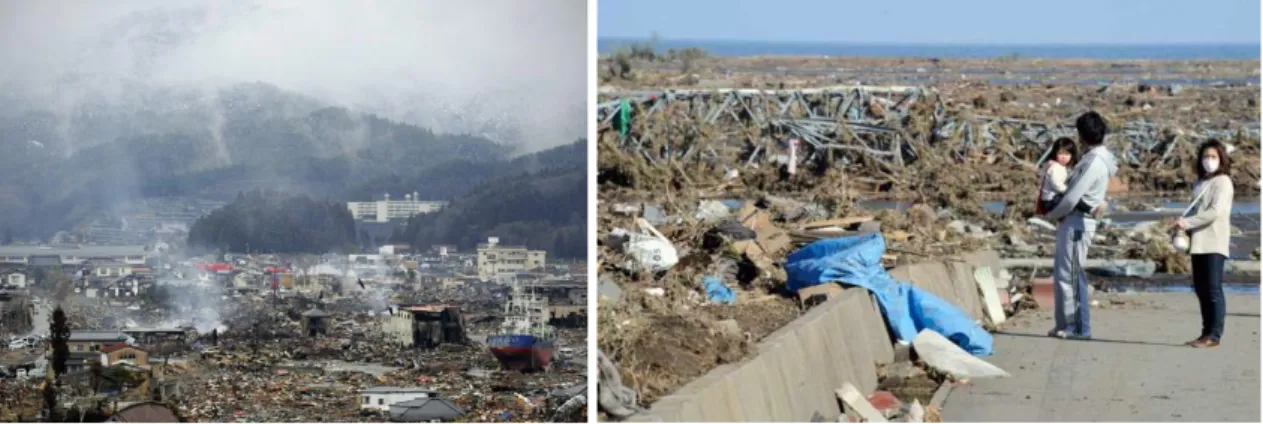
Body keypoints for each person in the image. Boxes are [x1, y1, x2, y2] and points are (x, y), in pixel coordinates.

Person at [1044, 111, 1117, 340]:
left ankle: (1078, 327)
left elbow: (1072, 196)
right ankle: (1065, 323)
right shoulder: (1096, 158)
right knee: (1063, 273)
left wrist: (1053, 213)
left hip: (1078, 221)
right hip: (1076, 219)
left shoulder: (1093, 161)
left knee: (1072, 275)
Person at [1174, 139, 1234, 348]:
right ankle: (1205, 332)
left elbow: (1214, 212)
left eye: (1213, 157)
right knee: (1201, 289)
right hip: (1198, 241)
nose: (1209, 161)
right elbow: (1195, 209)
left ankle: (1215, 335)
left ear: (1221, 159)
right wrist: (1182, 226)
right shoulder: (1200, 182)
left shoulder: (1223, 181)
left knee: (1213, 288)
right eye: (1206, 157)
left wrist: (1187, 222)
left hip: (1214, 241)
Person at [1036, 137, 1078, 215]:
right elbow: (1057, 185)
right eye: (1060, 153)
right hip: (1050, 201)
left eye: (1067, 154)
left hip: (1051, 199)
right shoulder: (1056, 167)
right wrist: (1069, 190)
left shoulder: (1060, 166)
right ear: (1055, 153)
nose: (1063, 157)